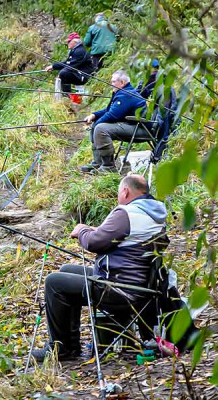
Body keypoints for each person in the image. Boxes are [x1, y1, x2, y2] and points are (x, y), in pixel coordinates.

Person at [30, 174, 168, 363]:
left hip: (118, 289)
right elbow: (120, 235)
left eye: (119, 192)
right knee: (66, 270)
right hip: (138, 286)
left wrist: (82, 231)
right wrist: (94, 230)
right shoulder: (153, 214)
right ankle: (69, 345)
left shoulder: (127, 213)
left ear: (125, 191)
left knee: (54, 282)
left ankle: (60, 349)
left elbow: (94, 243)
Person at [80, 70, 147, 173]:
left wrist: (96, 125)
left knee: (100, 128)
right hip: (132, 125)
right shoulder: (122, 92)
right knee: (98, 124)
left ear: (122, 83)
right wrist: (94, 115)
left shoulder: (126, 94)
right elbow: (109, 110)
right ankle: (98, 163)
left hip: (140, 128)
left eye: (113, 82)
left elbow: (113, 115)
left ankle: (108, 167)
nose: (111, 84)